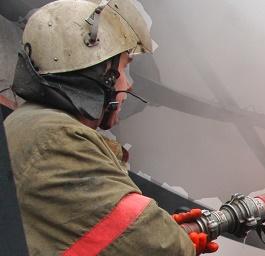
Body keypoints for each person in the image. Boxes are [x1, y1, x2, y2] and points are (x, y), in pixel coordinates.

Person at [5, 0, 216, 255]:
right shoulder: (57, 137)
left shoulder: (30, 123)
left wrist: (157, 226)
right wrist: (171, 236)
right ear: (99, 73)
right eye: (124, 67)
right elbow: (156, 244)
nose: (129, 85)